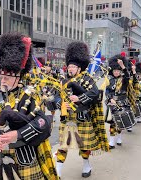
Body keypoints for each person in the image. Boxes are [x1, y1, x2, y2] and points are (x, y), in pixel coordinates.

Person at [0, 32, 58, 180]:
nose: (3, 81)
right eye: (1, 77)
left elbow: (42, 123)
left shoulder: (29, 95)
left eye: (7, 78)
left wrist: (18, 134)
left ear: (18, 76)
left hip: (23, 156)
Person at [56, 41, 109, 178]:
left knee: (84, 146)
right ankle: (57, 171)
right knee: (63, 146)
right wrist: (62, 104)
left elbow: (95, 94)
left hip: (82, 118)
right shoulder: (63, 81)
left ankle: (86, 165)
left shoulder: (87, 78)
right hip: (67, 119)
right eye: (69, 66)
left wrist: (79, 98)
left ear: (79, 68)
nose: (70, 69)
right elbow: (55, 98)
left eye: (73, 66)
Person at [106, 53, 135, 149]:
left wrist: (123, 66)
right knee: (113, 122)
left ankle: (119, 137)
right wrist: (110, 98)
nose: (116, 72)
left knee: (120, 122)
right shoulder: (109, 80)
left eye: (118, 71)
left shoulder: (124, 79)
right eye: (114, 71)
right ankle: (111, 141)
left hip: (122, 102)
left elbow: (127, 75)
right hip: (112, 103)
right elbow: (107, 91)